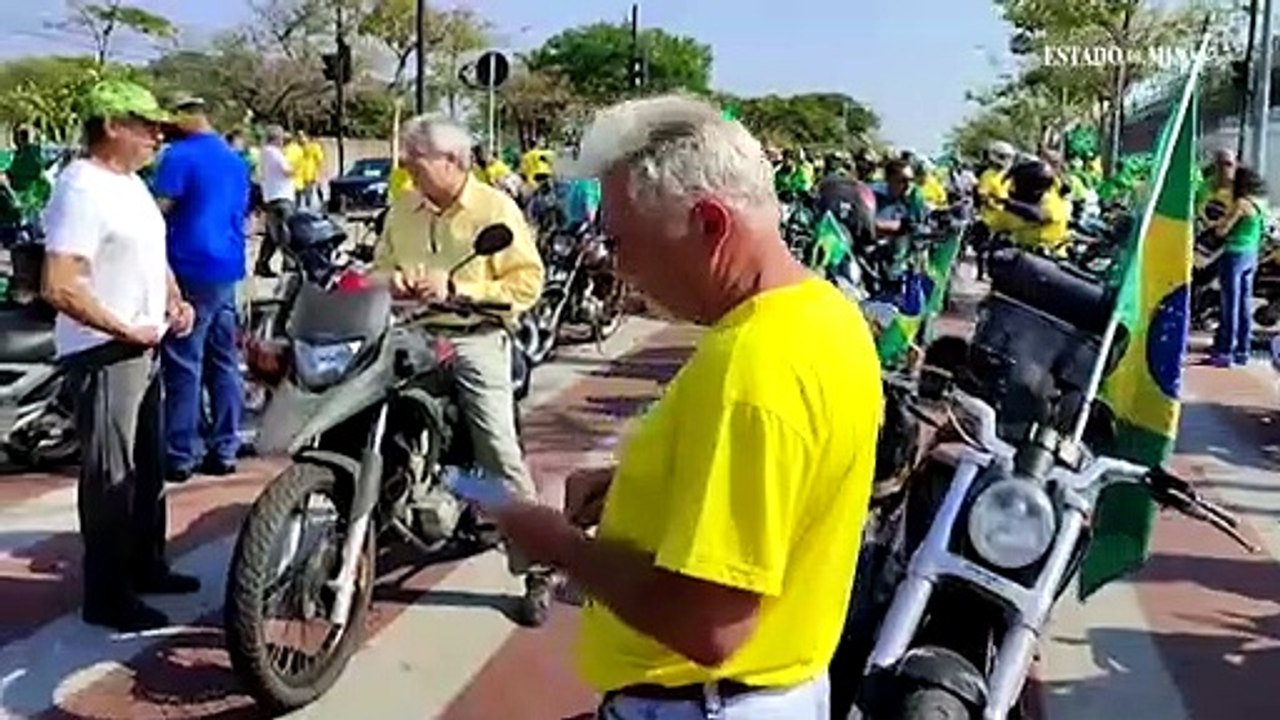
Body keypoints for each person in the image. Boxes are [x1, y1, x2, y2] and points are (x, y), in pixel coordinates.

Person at [486, 94, 882, 719]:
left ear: (709, 225)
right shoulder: (826, 317)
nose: (621, 269)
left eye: (623, 242)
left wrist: (561, 546)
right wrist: (638, 487)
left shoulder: (754, 365)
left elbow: (711, 625)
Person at [373, 116, 551, 625]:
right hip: (410, 333)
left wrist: (459, 291)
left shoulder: (495, 208)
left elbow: (527, 284)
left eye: (416, 157)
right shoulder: (402, 208)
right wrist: (395, 282)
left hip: (475, 338)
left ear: (453, 161)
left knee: (497, 449)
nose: (406, 165)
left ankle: (537, 563)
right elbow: (374, 269)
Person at [40, 80, 198, 631]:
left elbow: (151, 252)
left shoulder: (129, 183)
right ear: (110, 126)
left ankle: (145, 563)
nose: (158, 136)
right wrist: (122, 327)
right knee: (111, 476)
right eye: (146, 125)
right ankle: (106, 594)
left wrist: (173, 298)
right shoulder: (81, 188)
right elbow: (59, 283)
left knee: (147, 465)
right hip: (105, 351)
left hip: (145, 343)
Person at [153, 97, 251, 482]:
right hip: (227, 266)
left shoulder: (179, 156)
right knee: (223, 362)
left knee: (183, 363)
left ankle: (180, 452)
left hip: (189, 265)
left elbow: (157, 210)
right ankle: (224, 447)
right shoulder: (233, 159)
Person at [1208, 165, 1268, 367]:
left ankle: (1225, 351)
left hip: (1234, 254)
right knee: (1244, 305)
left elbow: (1223, 230)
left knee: (1229, 305)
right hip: (1251, 256)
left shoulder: (1241, 204)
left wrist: (1217, 225)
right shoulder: (1258, 204)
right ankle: (1243, 351)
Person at [987, 158, 1071, 257]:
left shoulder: (1052, 201)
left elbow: (1040, 215)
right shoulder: (1015, 209)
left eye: (1017, 183)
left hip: (1051, 257)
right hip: (1025, 255)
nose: (1013, 188)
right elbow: (995, 223)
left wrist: (1008, 203)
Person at [256, 125, 294, 277]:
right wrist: (296, 167)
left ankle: (262, 263)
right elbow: (286, 171)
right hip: (281, 196)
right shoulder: (274, 153)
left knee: (271, 236)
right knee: (286, 232)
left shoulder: (264, 153)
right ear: (278, 138)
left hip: (271, 196)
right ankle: (289, 264)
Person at [872, 158, 928, 236]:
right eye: (903, 180)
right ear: (889, 179)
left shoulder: (912, 199)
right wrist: (899, 225)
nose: (908, 185)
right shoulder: (873, 197)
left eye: (911, 180)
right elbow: (866, 224)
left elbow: (924, 221)